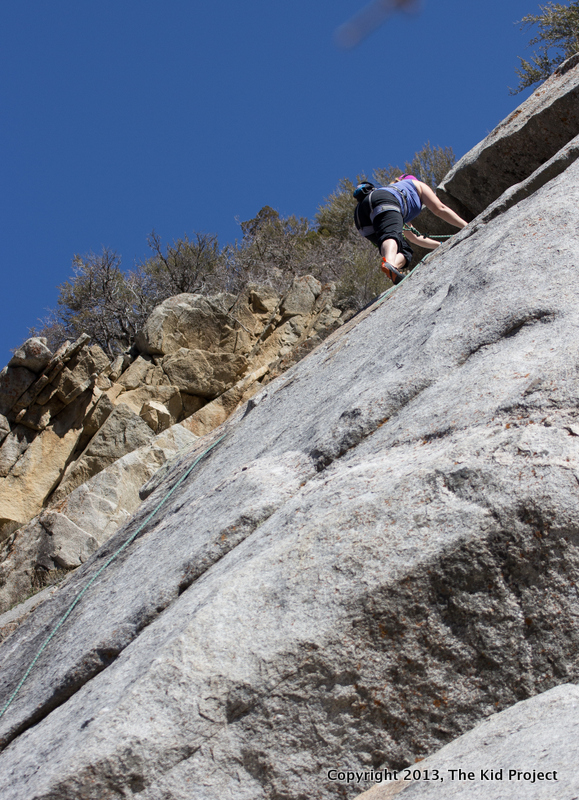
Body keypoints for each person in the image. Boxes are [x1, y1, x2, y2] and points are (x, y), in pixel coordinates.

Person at [353, 174, 468, 284]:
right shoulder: (416, 184)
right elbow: (439, 208)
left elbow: (415, 238)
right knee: (391, 235)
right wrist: (466, 226)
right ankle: (389, 262)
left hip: (360, 218)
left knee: (404, 251)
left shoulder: (396, 197)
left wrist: (440, 245)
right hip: (382, 201)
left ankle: (392, 268)